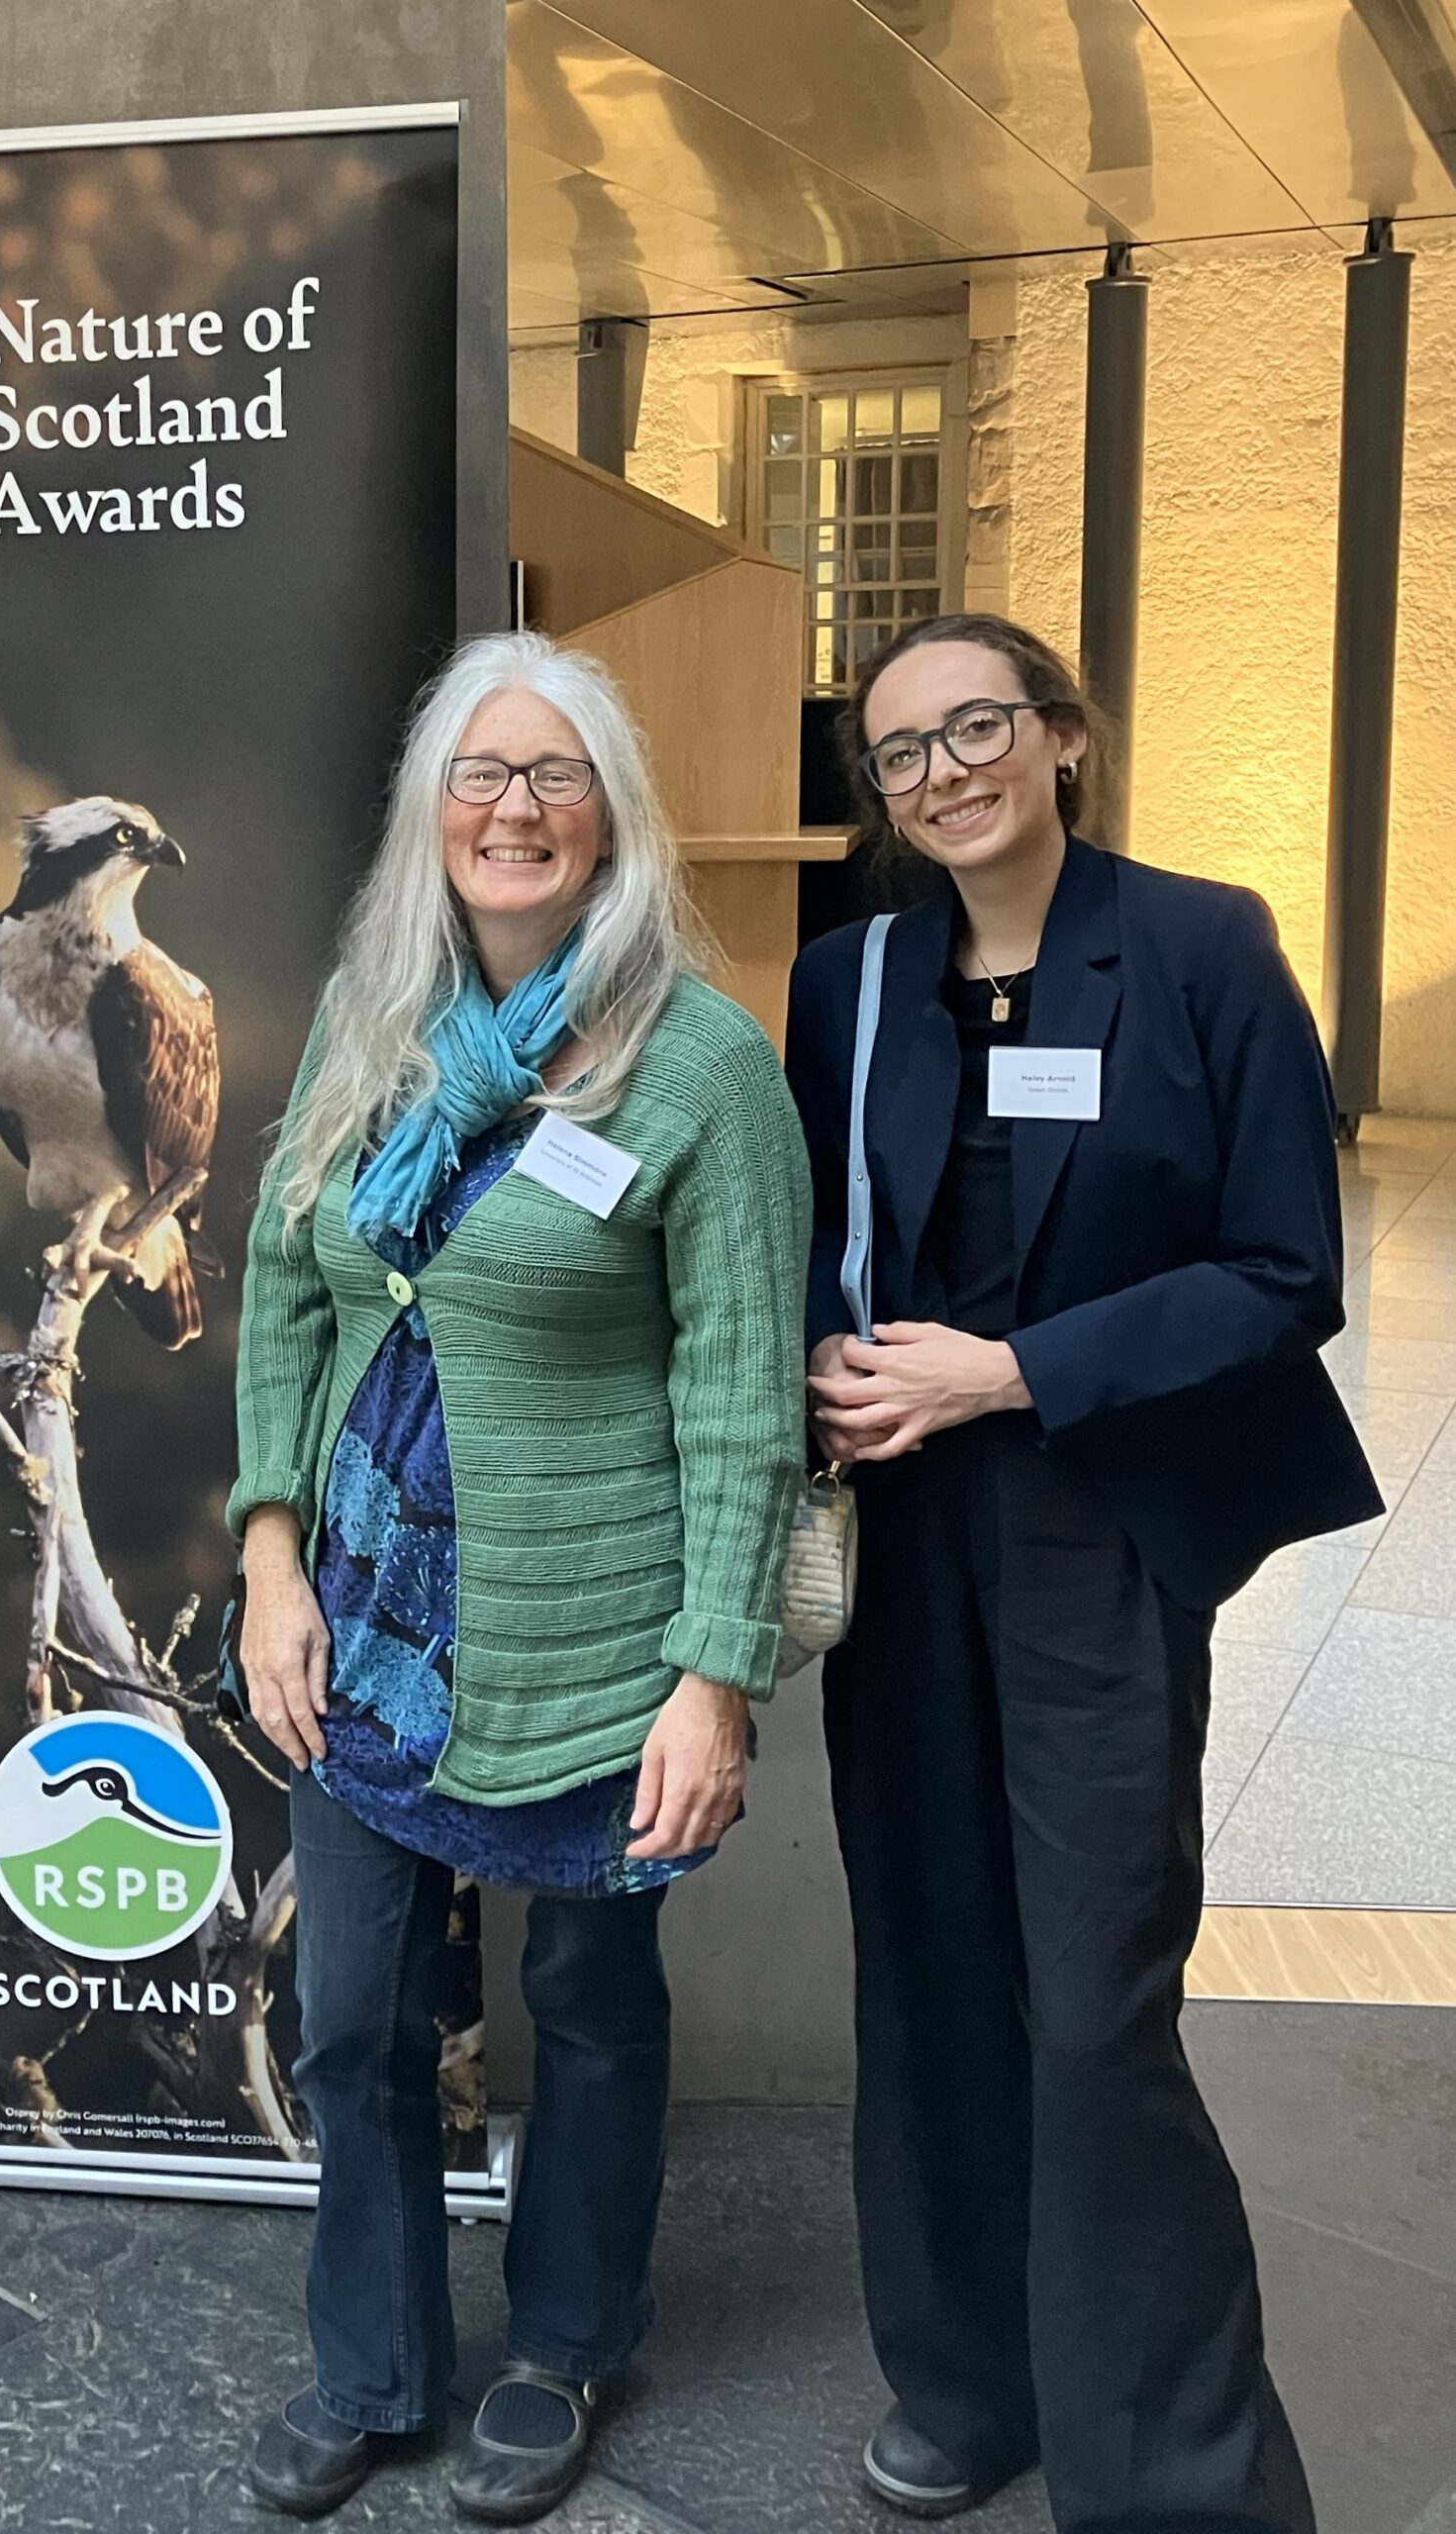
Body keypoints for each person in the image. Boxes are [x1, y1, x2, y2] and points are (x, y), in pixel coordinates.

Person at [786, 614, 1380, 2528]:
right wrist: (822, 1354)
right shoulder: (849, 979)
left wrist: (1014, 1368)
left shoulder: (1200, 947)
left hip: (1098, 1529)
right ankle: (968, 2385)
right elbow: (810, 1240)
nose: (942, 771)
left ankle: (1173, 2467)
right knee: (933, 1970)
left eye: (976, 729)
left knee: (1097, 1993)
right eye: (900, 753)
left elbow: (1287, 1273)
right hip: (907, 1527)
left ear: (1062, 741)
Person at [231, 631, 811, 2523]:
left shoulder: (700, 1069)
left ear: (614, 821)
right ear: (431, 817)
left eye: (555, 776)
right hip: (365, 1615)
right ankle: (372, 2361)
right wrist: (266, 1559)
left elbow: (740, 1396)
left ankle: (566, 2344)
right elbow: (287, 1296)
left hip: (590, 1617)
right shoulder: (369, 1024)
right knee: (351, 2013)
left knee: (594, 1989)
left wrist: (712, 1672)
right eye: (479, 775)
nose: (514, 808)